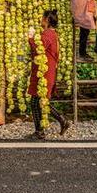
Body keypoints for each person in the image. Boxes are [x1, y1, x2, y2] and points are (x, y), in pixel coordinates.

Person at [27, 10, 72, 139]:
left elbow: (37, 47)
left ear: (47, 19)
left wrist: (31, 38)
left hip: (44, 73)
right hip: (46, 72)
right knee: (40, 101)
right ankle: (62, 121)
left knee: (37, 101)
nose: (41, 20)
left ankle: (40, 132)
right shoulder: (52, 34)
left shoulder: (48, 34)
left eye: (42, 17)